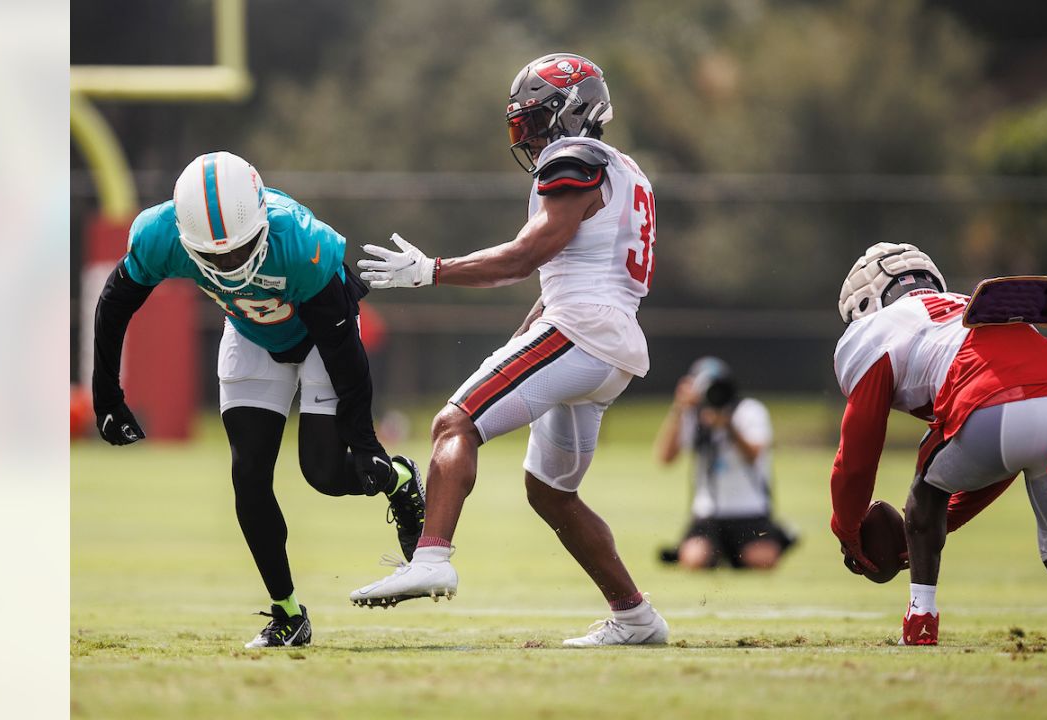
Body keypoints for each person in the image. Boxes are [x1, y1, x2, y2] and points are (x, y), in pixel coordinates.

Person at [347, 53, 668, 647]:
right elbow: (570, 273)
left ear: (573, 111)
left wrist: (432, 271)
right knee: (550, 491)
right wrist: (523, 337)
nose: (531, 135)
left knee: (455, 422)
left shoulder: (575, 159)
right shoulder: (627, 171)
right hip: (607, 339)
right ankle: (635, 617)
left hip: (582, 332)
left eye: (537, 119)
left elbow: (526, 257)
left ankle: (432, 556)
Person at [91, 151, 426, 648]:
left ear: (261, 222)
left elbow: (342, 348)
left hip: (319, 339)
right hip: (250, 334)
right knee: (248, 476)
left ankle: (400, 480)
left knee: (327, 475)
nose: (228, 264)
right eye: (215, 256)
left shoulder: (301, 243)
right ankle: (289, 615)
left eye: (237, 251)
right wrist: (108, 396)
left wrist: (365, 441)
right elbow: (115, 302)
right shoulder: (158, 235)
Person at [829, 242, 1047, 646]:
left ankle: (921, 618)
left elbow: (859, 451)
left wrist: (847, 528)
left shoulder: (873, 332)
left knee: (926, 485)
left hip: (989, 399)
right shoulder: (968, 304)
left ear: (863, 305)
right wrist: (939, 523)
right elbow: (1002, 456)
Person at [655, 357, 796, 569]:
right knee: (695, 561)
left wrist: (728, 426)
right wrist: (679, 408)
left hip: (750, 510)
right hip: (708, 513)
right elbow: (665, 458)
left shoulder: (749, 411)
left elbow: (753, 455)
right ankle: (704, 552)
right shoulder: (692, 415)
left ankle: (764, 543)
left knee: (762, 561)